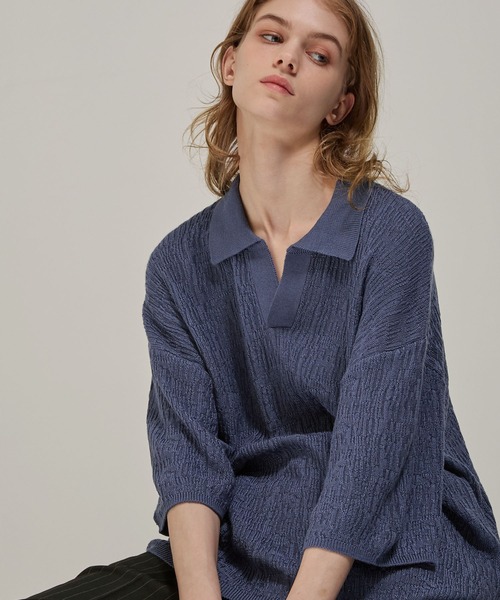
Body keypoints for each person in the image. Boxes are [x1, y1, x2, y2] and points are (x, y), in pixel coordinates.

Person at [24, 0, 500, 598]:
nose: (289, 58)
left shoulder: (391, 234)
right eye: (272, 36)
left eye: (319, 54)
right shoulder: (177, 265)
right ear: (230, 64)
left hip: (400, 555)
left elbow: (371, 449)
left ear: (340, 104)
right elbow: (189, 459)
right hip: (241, 555)